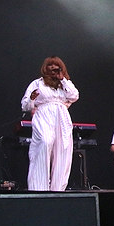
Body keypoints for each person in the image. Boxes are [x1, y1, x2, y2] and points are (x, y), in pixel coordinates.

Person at [21, 56, 79, 191]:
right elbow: (25, 105)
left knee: (63, 151)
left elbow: (74, 96)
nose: (53, 68)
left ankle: (58, 190)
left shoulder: (64, 84)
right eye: (50, 66)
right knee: (44, 143)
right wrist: (31, 99)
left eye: (56, 66)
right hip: (43, 115)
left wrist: (63, 79)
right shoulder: (37, 83)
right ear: (45, 68)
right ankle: (38, 189)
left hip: (62, 118)